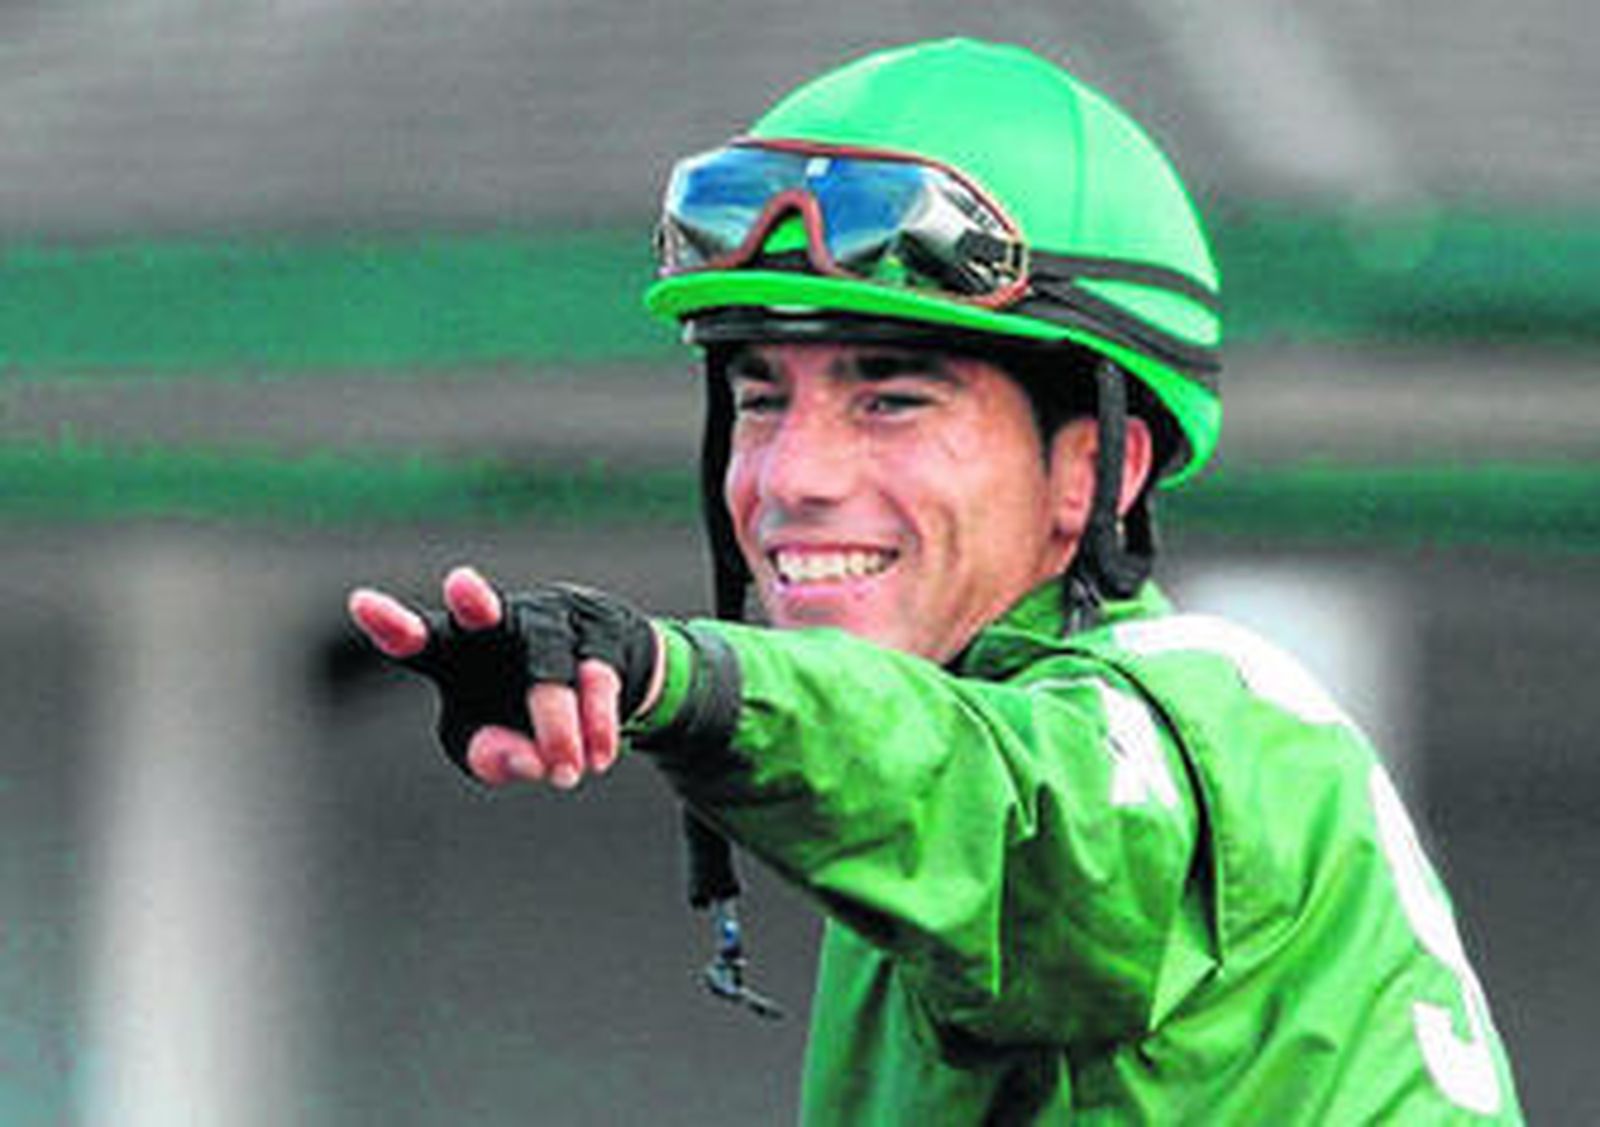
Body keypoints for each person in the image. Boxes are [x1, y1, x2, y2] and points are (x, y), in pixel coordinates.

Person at [348, 38, 1523, 1123]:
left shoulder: (1194, 725)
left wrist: (676, 677)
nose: (792, 475)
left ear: (1100, 465)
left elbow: (994, 797)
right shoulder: (932, 796)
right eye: (762, 395)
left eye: (891, 398)